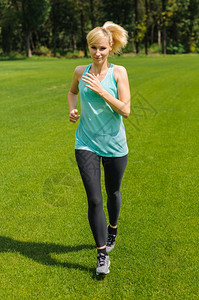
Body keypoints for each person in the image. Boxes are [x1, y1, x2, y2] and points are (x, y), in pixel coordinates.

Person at [68, 21, 131, 275]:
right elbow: (72, 92)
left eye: (102, 48)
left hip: (115, 144)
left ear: (111, 46)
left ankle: (112, 229)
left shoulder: (119, 73)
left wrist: (103, 91)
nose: (97, 53)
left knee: (113, 193)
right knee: (94, 200)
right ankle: (102, 255)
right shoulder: (79, 71)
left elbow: (126, 110)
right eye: (93, 47)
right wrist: (72, 109)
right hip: (85, 143)